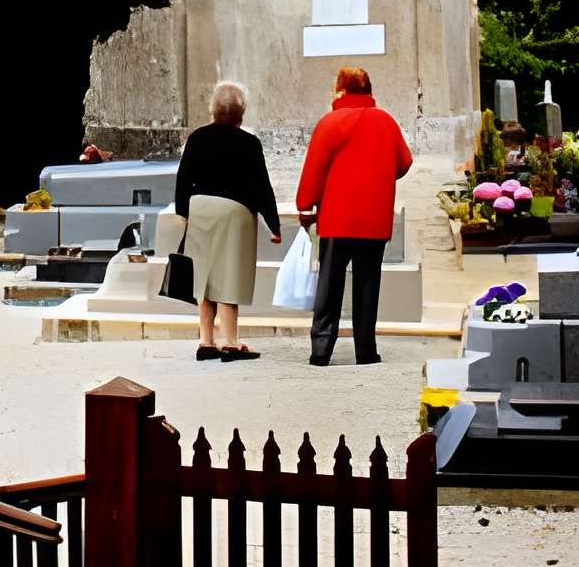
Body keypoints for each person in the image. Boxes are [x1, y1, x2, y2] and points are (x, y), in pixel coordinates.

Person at [295, 64, 414, 367]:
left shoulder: (330, 122)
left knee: (330, 284)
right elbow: (404, 161)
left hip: (337, 219)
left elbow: (315, 169)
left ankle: (321, 350)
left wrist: (305, 204)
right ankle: (366, 351)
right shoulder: (385, 122)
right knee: (367, 284)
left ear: (340, 90)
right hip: (374, 219)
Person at [174, 80, 283, 362]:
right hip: (235, 213)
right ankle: (231, 343)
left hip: (201, 209)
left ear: (212, 110)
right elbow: (262, 186)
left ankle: (206, 340)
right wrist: (274, 225)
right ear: (241, 113)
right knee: (229, 276)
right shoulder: (249, 142)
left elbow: (183, 178)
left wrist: (183, 212)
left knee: (204, 277)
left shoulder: (197, 138)